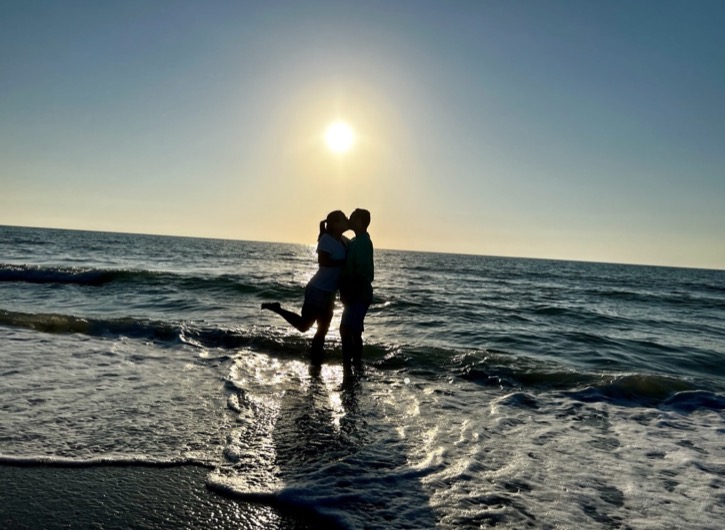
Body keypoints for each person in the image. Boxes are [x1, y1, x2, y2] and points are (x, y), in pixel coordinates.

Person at [262, 210, 348, 364]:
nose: (347, 220)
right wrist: (344, 263)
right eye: (344, 219)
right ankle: (277, 308)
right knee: (304, 326)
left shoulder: (343, 240)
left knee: (322, 331)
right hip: (318, 289)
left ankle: (316, 363)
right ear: (335, 224)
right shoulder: (326, 239)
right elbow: (323, 262)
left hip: (330, 293)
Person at [339, 208, 374, 373]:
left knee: (348, 330)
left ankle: (351, 365)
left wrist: (350, 294)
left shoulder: (363, 243)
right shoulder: (357, 240)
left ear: (359, 221)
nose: (349, 219)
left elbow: (361, 273)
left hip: (358, 294)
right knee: (353, 331)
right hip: (357, 293)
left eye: (352, 217)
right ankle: (354, 365)